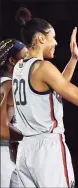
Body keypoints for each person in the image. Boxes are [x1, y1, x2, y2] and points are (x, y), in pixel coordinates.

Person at [13, 7, 78, 187]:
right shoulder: (43, 68)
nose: (56, 43)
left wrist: (74, 59)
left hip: (26, 150)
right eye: (53, 37)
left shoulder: (20, 66)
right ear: (41, 38)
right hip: (47, 149)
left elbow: (53, 89)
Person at [0, 38, 28, 187]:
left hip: (10, 154)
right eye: (24, 58)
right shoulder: (8, 85)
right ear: (11, 61)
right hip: (3, 154)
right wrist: (28, 137)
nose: (28, 63)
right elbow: (1, 129)